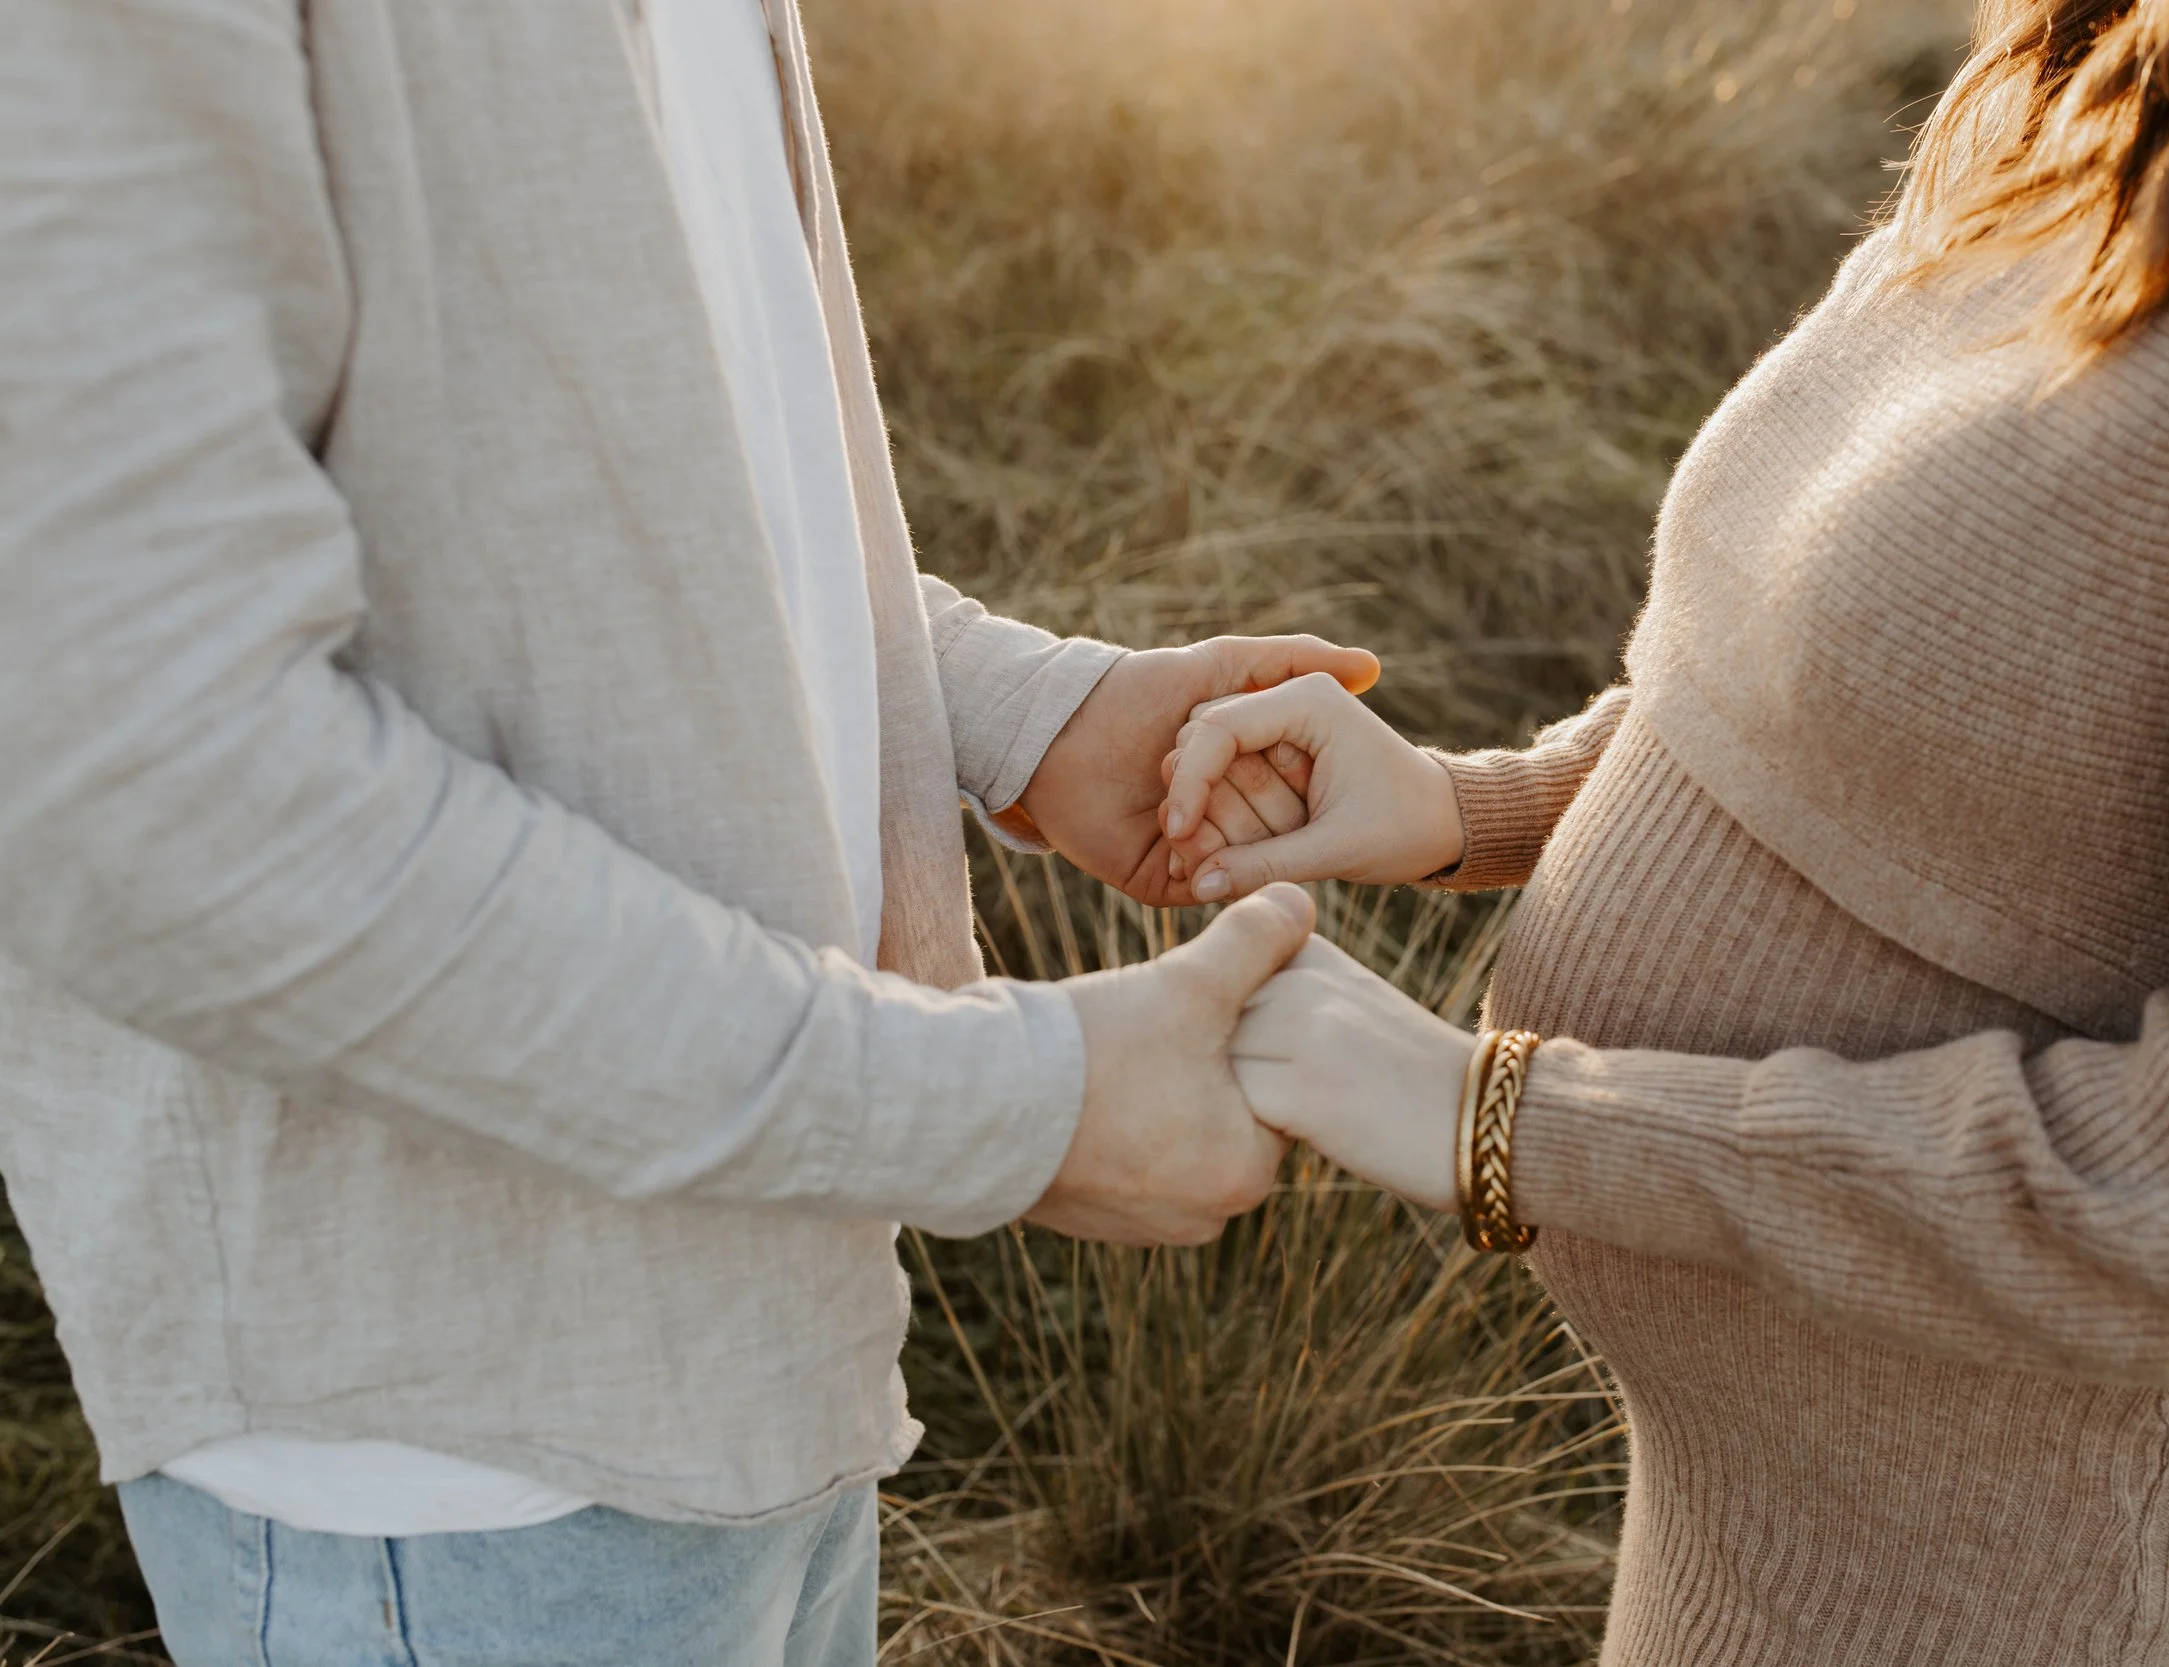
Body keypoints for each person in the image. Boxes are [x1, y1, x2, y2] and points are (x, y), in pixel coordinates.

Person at [0, 0, 1357, 1660]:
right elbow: (157, 796)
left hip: (766, 1345)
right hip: (449, 1467)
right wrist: (1005, 1103)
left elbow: (637, 478)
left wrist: (1022, 713)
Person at [1161, 1, 2169, 1661]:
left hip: (2039, 1549)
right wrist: (1471, 804)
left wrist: (1514, 1121)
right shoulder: (2125, 49)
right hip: (1789, 1501)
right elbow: (1922, 679)